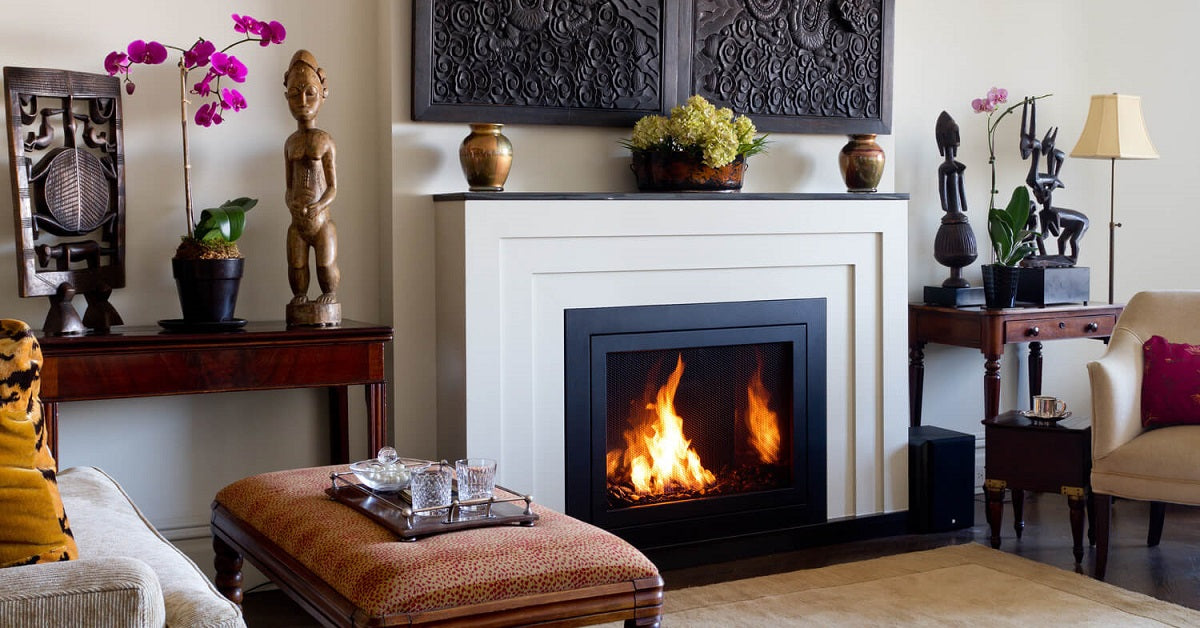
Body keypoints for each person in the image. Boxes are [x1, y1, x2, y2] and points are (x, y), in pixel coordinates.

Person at [283, 50, 339, 317]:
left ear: (323, 94)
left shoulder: (325, 140)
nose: (302, 101)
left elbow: (333, 186)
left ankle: (328, 295)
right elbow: (288, 187)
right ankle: (301, 297)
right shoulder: (290, 143)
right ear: (287, 99)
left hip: (321, 222)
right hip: (298, 223)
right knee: (296, 266)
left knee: (326, 266)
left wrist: (319, 206)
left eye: (309, 93)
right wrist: (291, 204)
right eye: (294, 94)